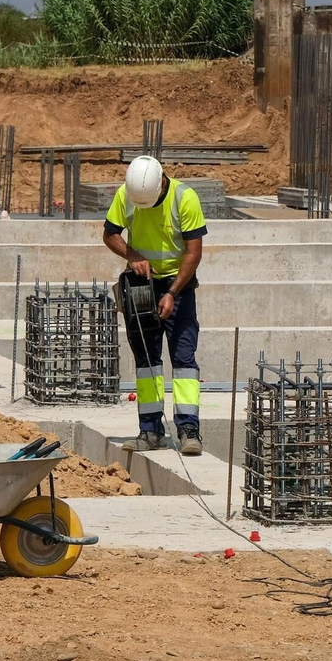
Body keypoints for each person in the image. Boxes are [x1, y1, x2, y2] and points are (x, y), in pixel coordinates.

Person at [103, 155, 207, 455]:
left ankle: (189, 429)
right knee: (147, 361)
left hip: (180, 286)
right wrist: (132, 255)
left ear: (162, 181)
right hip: (141, 287)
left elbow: (193, 253)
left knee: (184, 359)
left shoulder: (184, 198)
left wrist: (172, 292)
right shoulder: (129, 194)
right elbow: (110, 233)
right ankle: (151, 431)